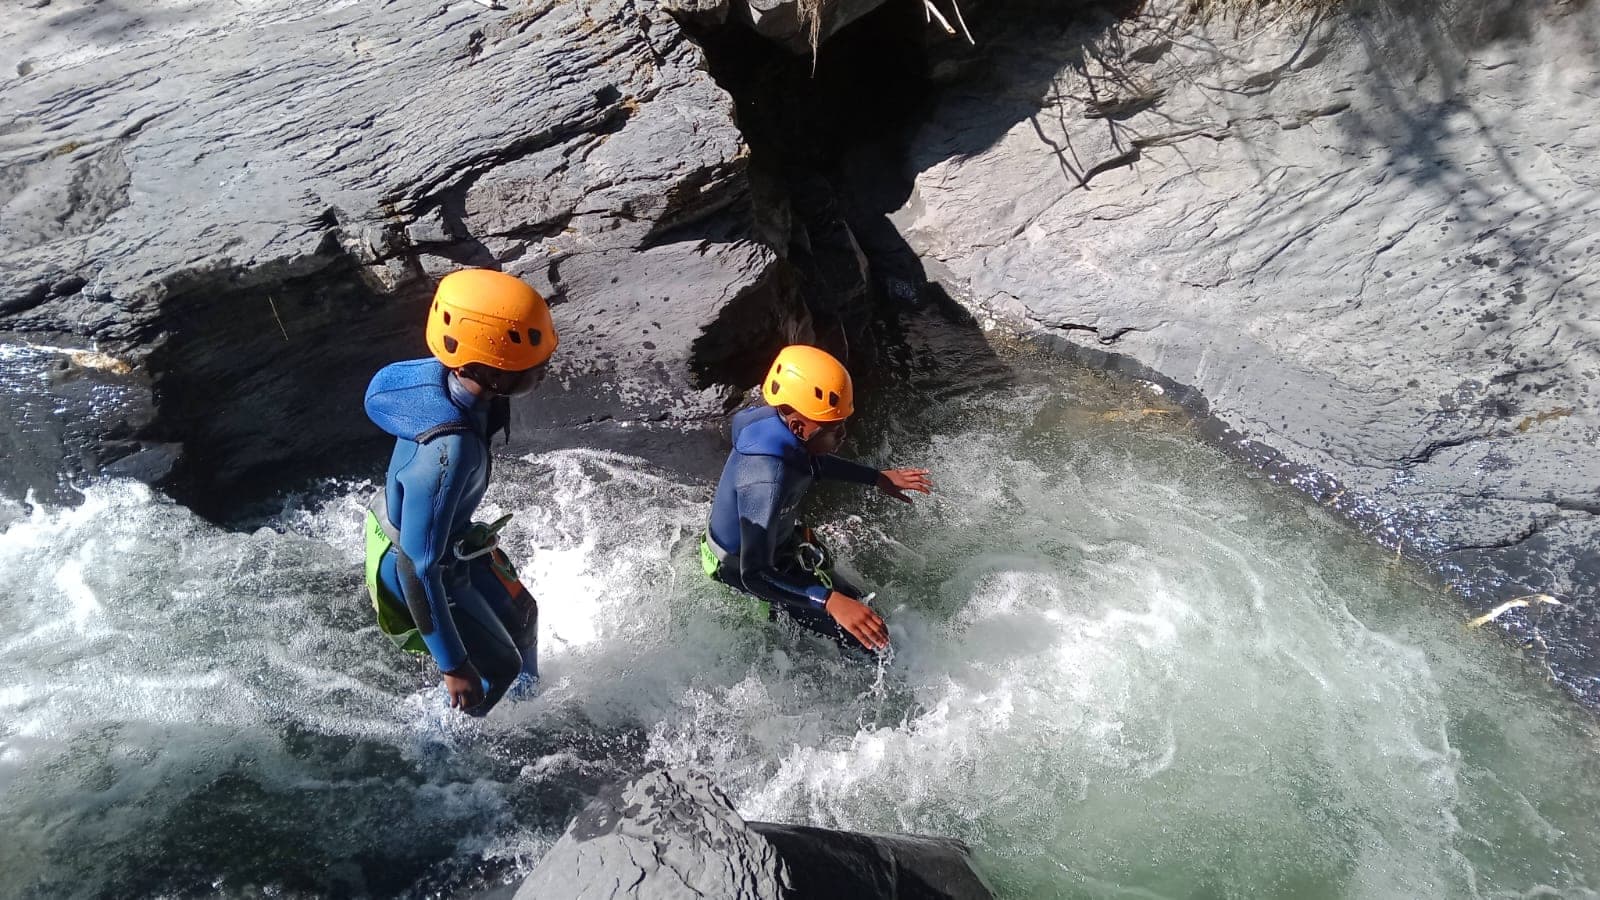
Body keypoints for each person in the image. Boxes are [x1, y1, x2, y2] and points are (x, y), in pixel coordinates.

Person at [361, 268, 554, 716]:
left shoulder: (455, 379)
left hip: (444, 544)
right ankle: (447, 745)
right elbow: (417, 566)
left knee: (524, 616)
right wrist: (454, 666)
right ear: (488, 368)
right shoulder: (450, 450)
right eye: (532, 362)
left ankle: (528, 710)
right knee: (496, 671)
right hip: (416, 562)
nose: (545, 367)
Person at [701, 345, 933, 653]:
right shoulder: (765, 479)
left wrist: (877, 478)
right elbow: (754, 575)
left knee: (867, 613)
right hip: (743, 573)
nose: (844, 435)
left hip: (778, 550)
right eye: (835, 429)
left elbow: (810, 464)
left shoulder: (779, 427)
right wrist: (829, 601)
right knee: (870, 643)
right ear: (799, 426)